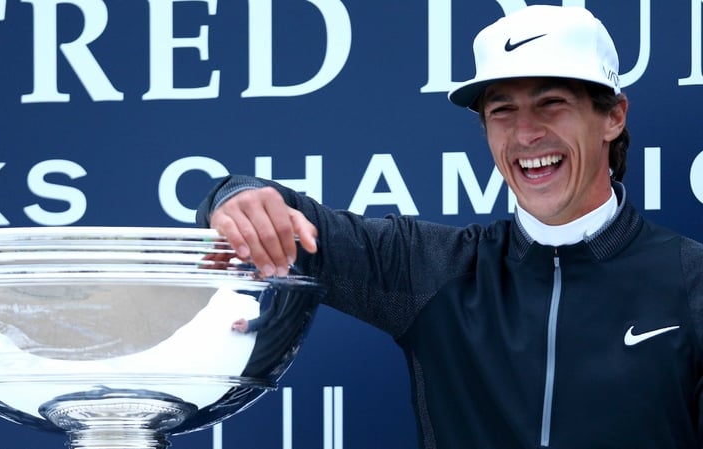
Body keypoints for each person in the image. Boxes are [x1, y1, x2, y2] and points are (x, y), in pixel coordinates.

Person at [196, 5, 703, 448]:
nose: (526, 133)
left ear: (613, 116)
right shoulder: (431, 269)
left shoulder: (692, 279)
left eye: (552, 104)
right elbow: (297, 221)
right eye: (502, 111)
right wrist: (236, 198)